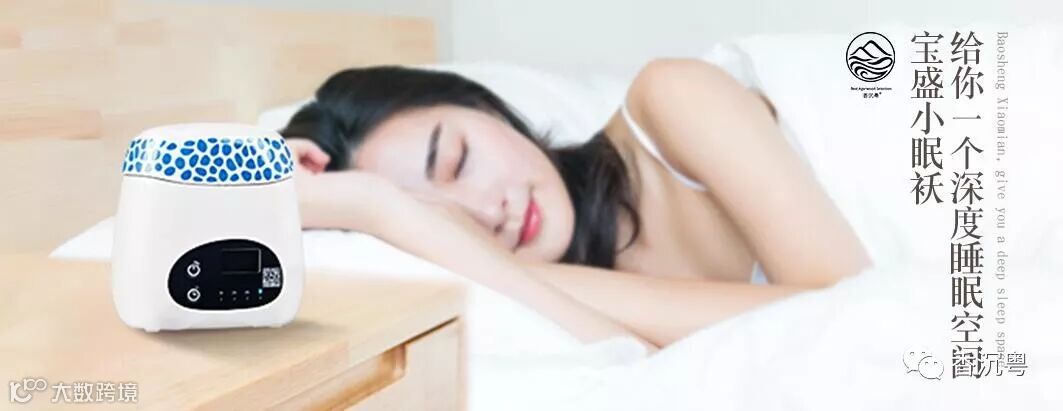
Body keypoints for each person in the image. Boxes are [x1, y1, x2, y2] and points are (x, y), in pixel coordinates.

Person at [280, 58, 871, 350]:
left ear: (485, 107)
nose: (488, 212)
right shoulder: (545, 301)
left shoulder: (671, 98)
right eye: (443, 220)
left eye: (459, 160)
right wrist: (375, 208)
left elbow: (858, 317)